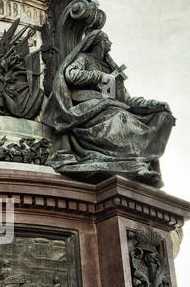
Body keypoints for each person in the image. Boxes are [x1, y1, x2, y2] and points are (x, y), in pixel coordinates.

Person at [43, 28, 174, 185]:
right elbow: (71, 75)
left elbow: (126, 99)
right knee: (120, 117)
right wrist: (99, 76)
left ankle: (136, 163)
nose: (110, 44)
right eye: (107, 41)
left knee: (157, 116)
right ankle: (134, 163)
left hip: (109, 106)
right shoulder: (84, 58)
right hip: (88, 107)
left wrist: (153, 104)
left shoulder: (112, 69)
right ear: (97, 43)